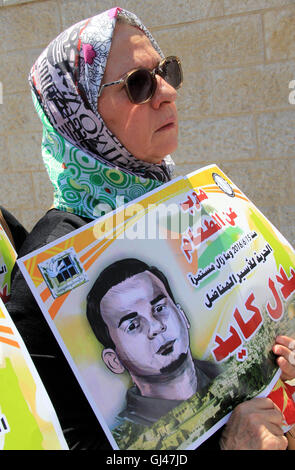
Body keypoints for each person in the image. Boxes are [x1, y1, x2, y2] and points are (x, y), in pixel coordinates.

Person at [6, 7, 295, 450]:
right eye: (137, 84)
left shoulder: (189, 205)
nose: (166, 92)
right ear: (78, 115)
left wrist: (279, 363)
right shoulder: (52, 265)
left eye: (166, 71)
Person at [87, 258, 220, 426]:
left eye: (159, 309)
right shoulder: (128, 435)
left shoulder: (229, 371)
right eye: (133, 325)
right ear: (114, 361)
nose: (157, 327)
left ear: (182, 316)